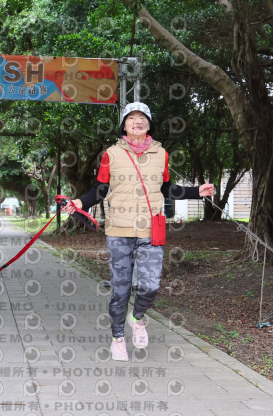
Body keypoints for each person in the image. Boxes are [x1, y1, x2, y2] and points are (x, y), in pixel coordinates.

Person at [62, 102, 214, 361]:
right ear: (124, 125)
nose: (137, 121)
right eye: (131, 117)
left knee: (151, 287)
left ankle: (138, 318)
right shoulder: (111, 154)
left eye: (142, 117)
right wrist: (78, 203)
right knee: (120, 291)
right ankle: (118, 339)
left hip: (150, 229)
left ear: (149, 124)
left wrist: (195, 192)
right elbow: (100, 190)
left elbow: (165, 189)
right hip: (119, 231)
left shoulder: (161, 154)